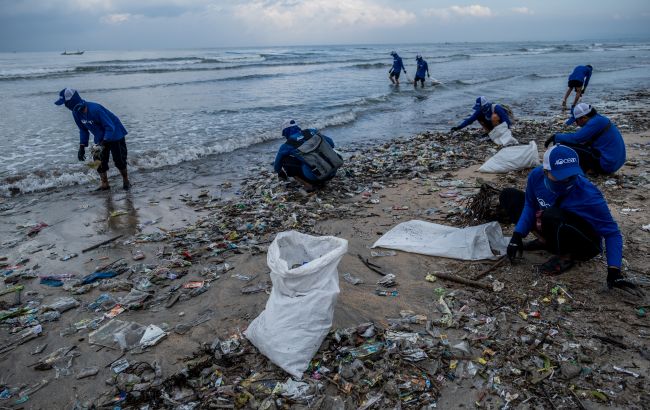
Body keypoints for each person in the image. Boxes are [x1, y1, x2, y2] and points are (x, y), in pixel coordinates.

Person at [500, 145, 638, 293]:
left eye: (571, 176)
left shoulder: (589, 194)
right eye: (560, 176)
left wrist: (614, 271)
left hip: (582, 242)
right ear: (546, 171)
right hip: (553, 224)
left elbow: (612, 233)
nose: (566, 180)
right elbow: (529, 204)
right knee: (510, 196)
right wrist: (517, 235)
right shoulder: (536, 176)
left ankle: (566, 256)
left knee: (551, 214)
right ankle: (545, 241)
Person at [55, 88, 131, 191]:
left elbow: (110, 127)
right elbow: (83, 130)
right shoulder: (75, 113)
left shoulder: (95, 109)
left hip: (115, 134)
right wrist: (82, 146)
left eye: (66, 103)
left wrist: (103, 143)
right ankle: (105, 183)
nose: (65, 106)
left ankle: (126, 180)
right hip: (100, 136)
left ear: (72, 101)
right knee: (97, 159)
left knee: (119, 160)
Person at [544, 103, 625, 175]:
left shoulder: (595, 122)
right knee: (579, 146)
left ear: (584, 118)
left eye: (576, 121)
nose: (576, 124)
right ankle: (587, 168)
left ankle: (587, 169)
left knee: (563, 144)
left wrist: (555, 137)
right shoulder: (599, 119)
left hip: (607, 165)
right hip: (613, 162)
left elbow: (576, 138)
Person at [274, 119, 342, 192]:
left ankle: (308, 185)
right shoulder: (312, 131)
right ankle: (323, 180)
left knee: (284, 160)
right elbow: (331, 143)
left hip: (314, 177)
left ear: (286, 132)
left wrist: (281, 173)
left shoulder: (287, 145)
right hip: (332, 171)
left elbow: (277, 167)